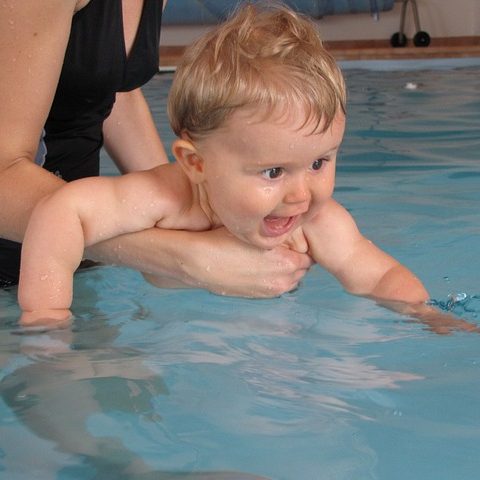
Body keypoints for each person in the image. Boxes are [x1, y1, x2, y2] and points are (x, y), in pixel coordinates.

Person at [17, 3, 478, 334]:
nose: (301, 194)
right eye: (274, 172)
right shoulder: (163, 198)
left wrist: (428, 315)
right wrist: (47, 318)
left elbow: (377, 275)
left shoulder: (316, 221)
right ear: (196, 163)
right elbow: (63, 212)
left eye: (319, 162)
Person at [0, 1, 311, 298]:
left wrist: (190, 208)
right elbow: (3, 171)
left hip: (71, 262)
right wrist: (177, 256)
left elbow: (109, 88)